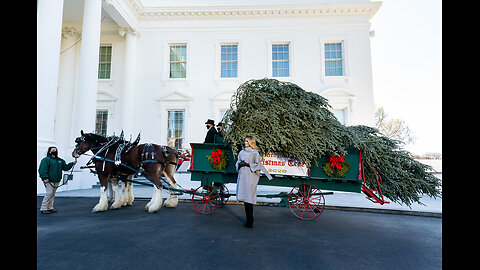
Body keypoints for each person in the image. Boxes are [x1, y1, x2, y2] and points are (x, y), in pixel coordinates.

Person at [235, 136, 272, 228]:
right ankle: (249, 219)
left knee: (249, 198)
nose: (245, 143)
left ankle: (250, 220)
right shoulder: (241, 152)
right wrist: (239, 164)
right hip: (243, 176)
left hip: (250, 177)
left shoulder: (255, 153)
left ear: (251, 142)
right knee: (245, 199)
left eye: (247, 141)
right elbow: (237, 162)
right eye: (245, 141)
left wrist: (247, 164)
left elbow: (258, 165)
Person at [38, 146, 77, 214]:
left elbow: (65, 167)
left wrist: (72, 164)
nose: (54, 151)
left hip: (57, 179)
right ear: (49, 151)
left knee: (53, 194)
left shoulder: (60, 160)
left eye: (55, 150)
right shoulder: (46, 160)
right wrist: (45, 177)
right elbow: (42, 169)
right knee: (49, 193)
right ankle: (43, 208)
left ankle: (50, 208)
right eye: (53, 150)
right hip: (49, 180)